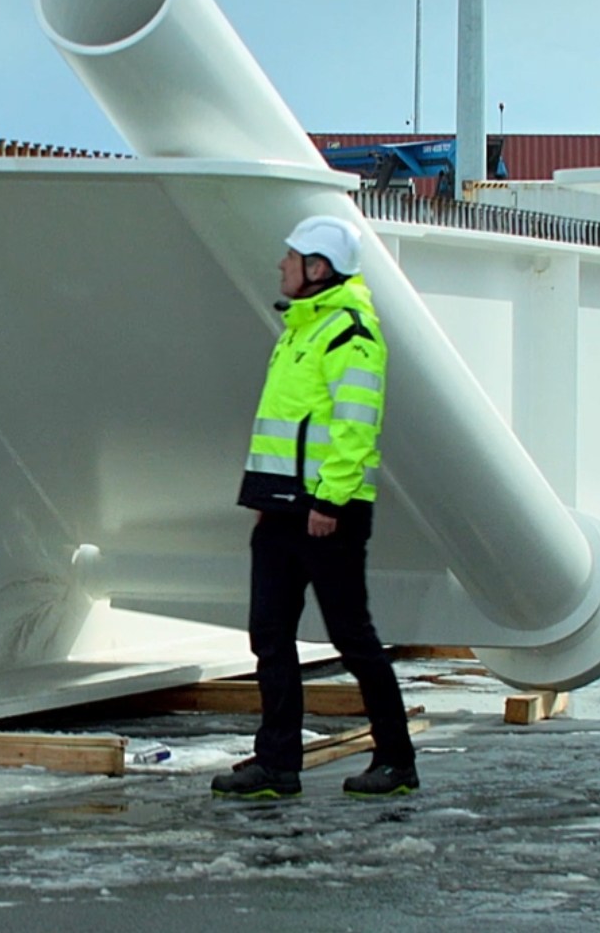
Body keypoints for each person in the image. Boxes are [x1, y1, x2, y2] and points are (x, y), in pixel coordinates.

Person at [211, 214, 418, 800]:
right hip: (279, 511)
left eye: (292, 257)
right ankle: (277, 765)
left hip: (327, 513)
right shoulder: (301, 331)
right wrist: (264, 497)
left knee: (353, 639)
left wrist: (328, 499)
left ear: (318, 268)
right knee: (269, 637)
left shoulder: (351, 334)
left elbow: (355, 427)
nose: (281, 265)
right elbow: (283, 429)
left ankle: (397, 760)